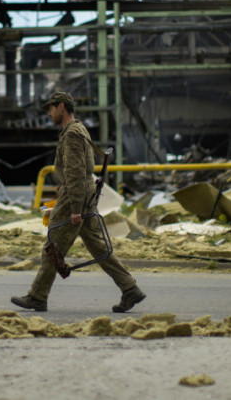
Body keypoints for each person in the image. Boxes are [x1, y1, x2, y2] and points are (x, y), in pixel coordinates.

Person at [11, 92, 146, 313]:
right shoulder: (79, 128)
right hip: (84, 193)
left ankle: (37, 296)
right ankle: (130, 288)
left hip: (76, 196)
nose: (49, 113)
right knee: (99, 246)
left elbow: (75, 172)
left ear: (61, 107)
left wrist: (74, 209)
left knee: (52, 247)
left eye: (51, 108)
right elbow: (83, 168)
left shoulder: (72, 134)